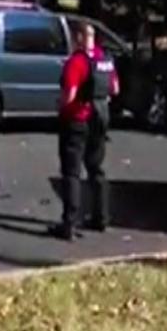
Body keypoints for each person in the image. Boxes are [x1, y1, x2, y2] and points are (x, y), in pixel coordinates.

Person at [52, 22, 120, 241]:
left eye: (74, 36)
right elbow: (115, 89)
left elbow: (70, 94)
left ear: (81, 37)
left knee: (71, 173)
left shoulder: (77, 61)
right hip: (100, 119)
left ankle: (69, 224)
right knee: (96, 169)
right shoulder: (105, 60)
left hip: (77, 121)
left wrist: (59, 105)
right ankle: (101, 218)